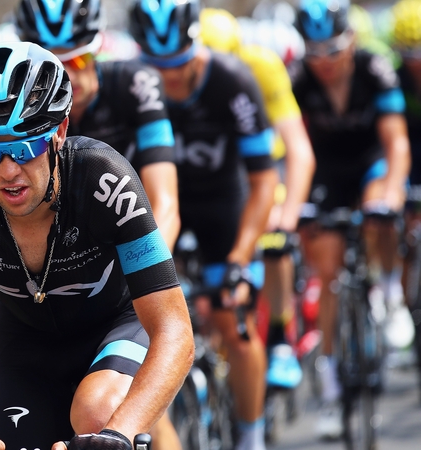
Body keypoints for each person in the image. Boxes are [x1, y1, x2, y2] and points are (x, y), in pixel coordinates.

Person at [0, 41, 190, 450]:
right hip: (28, 337)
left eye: (25, 147)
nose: (9, 171)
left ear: (60, 131)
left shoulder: (105, 179)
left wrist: (121, 432)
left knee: (97, 414)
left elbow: (174, 328)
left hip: (116, 323)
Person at [129, 1, 279, 449]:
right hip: (160, 209)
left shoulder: (234, 81)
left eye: (178, 64)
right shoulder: (134, 85)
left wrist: (239, 256)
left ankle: (250, 436)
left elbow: (265, 180)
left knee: (236, 321)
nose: (169, 78)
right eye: (158, 67)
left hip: (223, 212)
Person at [291, 0, 410, 438]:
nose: (324, 62)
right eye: (314, 52)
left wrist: (395, 188)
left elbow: (396, 141)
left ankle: (387, 290)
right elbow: (294, 148)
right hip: (325, 173)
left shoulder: (375, 69)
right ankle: (329, 380)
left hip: (370, 164)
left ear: (352, 41)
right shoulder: (299, 80)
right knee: (327, 271)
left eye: (333, 50)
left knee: (380, 208)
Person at [200, 7, 316, 391]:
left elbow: (298, 148)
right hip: (210, 174)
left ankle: (281, 337)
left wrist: (288, 216)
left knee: (274, 236)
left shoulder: (261, 67)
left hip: (262, 163)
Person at [13, 0, 180, 251]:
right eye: (54, 64)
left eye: (79, 59)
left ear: (98, 47)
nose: (69, 75)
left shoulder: (137, 84)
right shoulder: (16, 106)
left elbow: (165, 205)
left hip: (136, 236)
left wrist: (147, 272)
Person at [393, 0, 421, 397]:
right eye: (408, 55)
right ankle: (400, 306)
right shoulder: (395, 79)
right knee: (402, 227)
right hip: (408, 152)